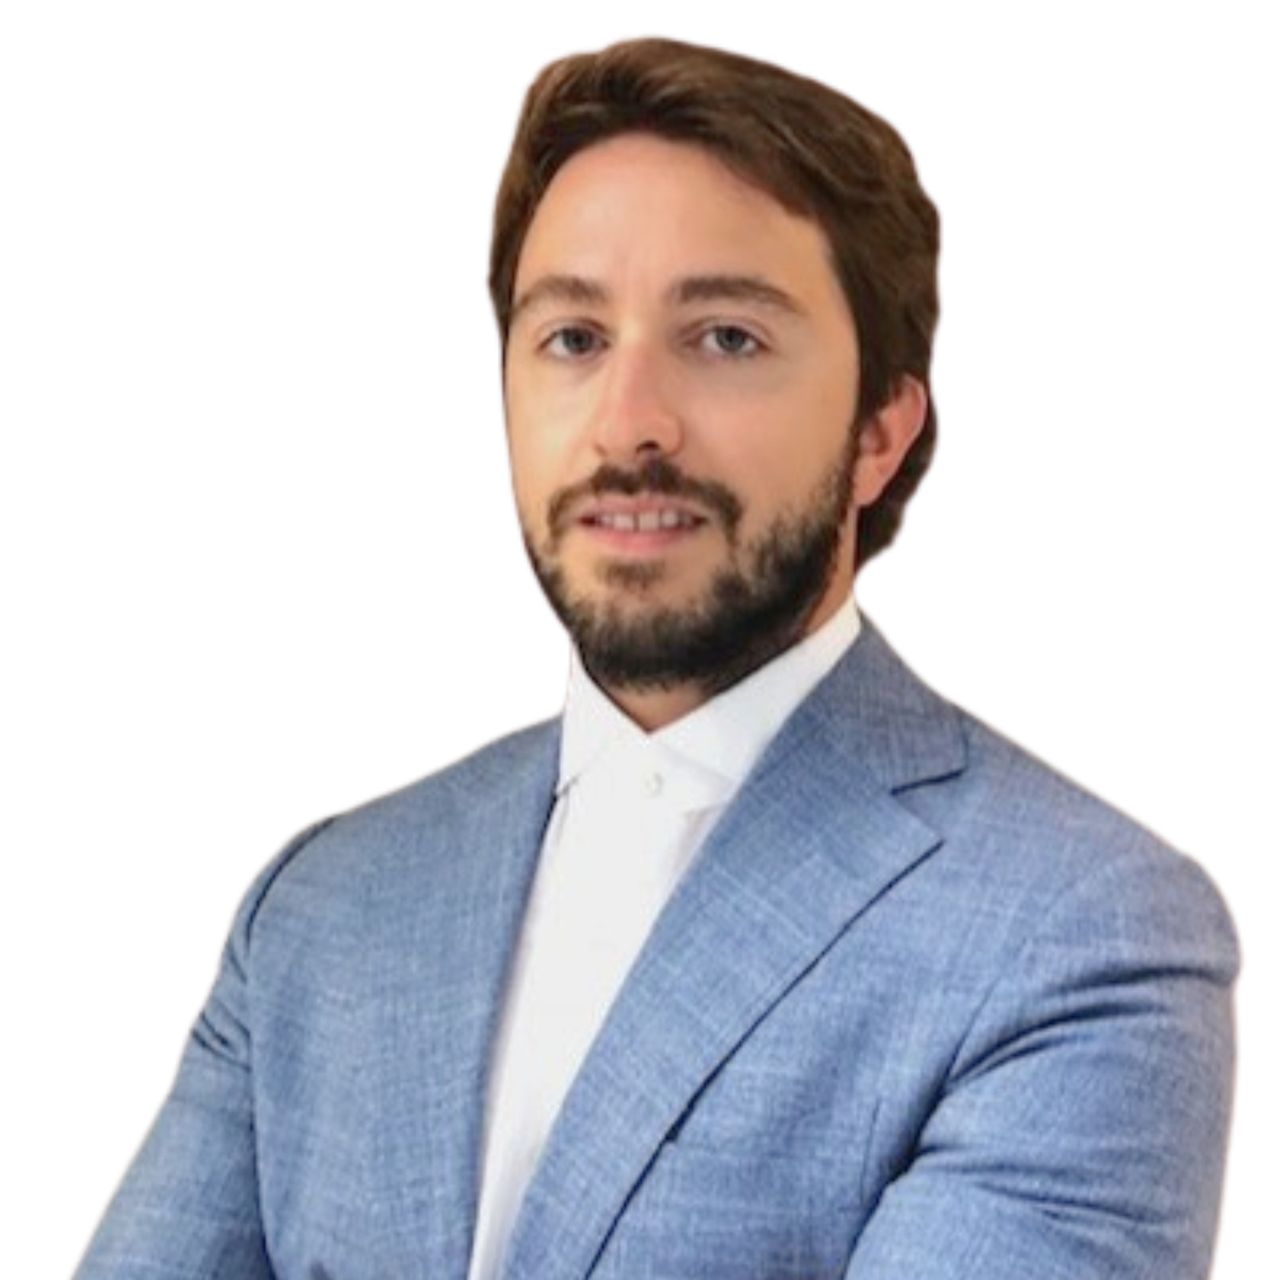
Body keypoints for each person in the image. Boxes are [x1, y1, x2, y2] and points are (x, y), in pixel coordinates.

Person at [75, 36, 1238, 1280]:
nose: (628, 423)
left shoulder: (1077, 933)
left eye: (724, 337)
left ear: (877, 432)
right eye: (572, 337)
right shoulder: (322, 907)